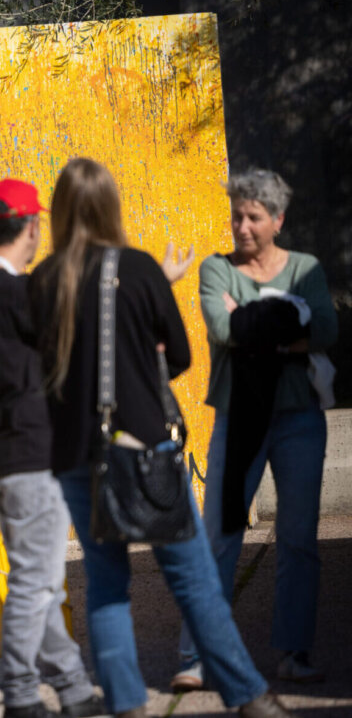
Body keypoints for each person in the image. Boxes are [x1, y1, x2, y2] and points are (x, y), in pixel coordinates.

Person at [27, 157, 291, 718]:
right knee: (194, 582)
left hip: (75, 456)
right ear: (110, 207)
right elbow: (182, 357)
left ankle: (126, 705)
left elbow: (40, 375)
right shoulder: (140, 270)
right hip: (144, 448)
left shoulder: (43, 282)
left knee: (105, 586)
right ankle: (248, 696)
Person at [0, 178, 104, 718]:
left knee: (42, 581)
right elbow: (68, 357)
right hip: (34, 453)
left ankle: (75, 688)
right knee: (36, 582)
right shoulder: (24, 293)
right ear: (32, 227)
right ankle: (18, 692)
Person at [172, 169, 338, 690]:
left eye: (253, 216)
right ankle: (198, 658)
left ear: (277, 220)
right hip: (238, 418)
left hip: (299, 422)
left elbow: (327, 331)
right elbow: (223, 331)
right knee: (219, 537)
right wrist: (290, 326)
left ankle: (293, 653)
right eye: (236, 215)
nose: (241, 226)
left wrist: (251, 323)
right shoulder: (216, 269)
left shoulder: (305, 268)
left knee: (297, 540)